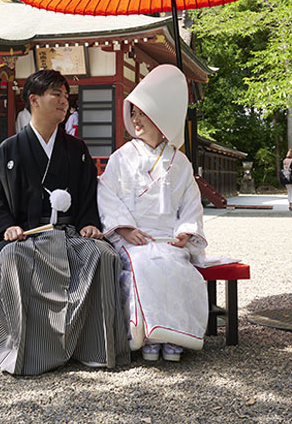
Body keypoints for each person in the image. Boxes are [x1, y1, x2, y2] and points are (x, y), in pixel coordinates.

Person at [0, 69, 129, 375]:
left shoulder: (76, 150)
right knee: (11, 259)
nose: (65, 102)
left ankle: (93, 348)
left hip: (68, 234)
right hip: (25, 237)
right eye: (57, 95)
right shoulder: (8, 151)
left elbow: (89, 194)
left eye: (66, 96)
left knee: (102, 255)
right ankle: (25, 349)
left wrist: (89, 222)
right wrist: (7, 225)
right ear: (34, 101)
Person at [97, 65, 207, 363]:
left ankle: (172, 337)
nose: (135, 120)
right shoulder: (122, 157)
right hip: (134, 238)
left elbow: (191, 202)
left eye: (142, 114)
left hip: (168, 238)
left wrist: (186, 231)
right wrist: (124, 229)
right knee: (145, 264)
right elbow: (107, 195)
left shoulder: (179, 162)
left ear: (161, 118)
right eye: (133, 114)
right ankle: (147, 335)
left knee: (176, 267)